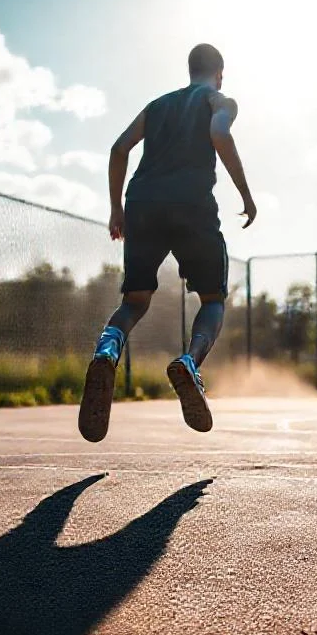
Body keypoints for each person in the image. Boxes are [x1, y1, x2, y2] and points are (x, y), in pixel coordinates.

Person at [78, 43, 256, 442]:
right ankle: (190, 364)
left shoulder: (156, 105)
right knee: (211, 300)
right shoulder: (219, 99)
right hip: (191, 204)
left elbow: (118, 148)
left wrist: (116, 209)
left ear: (189, 68)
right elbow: (219, 133)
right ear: (220, 73)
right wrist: (245, 193)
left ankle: (106, 352)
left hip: (142, 203)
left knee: (133, 302)